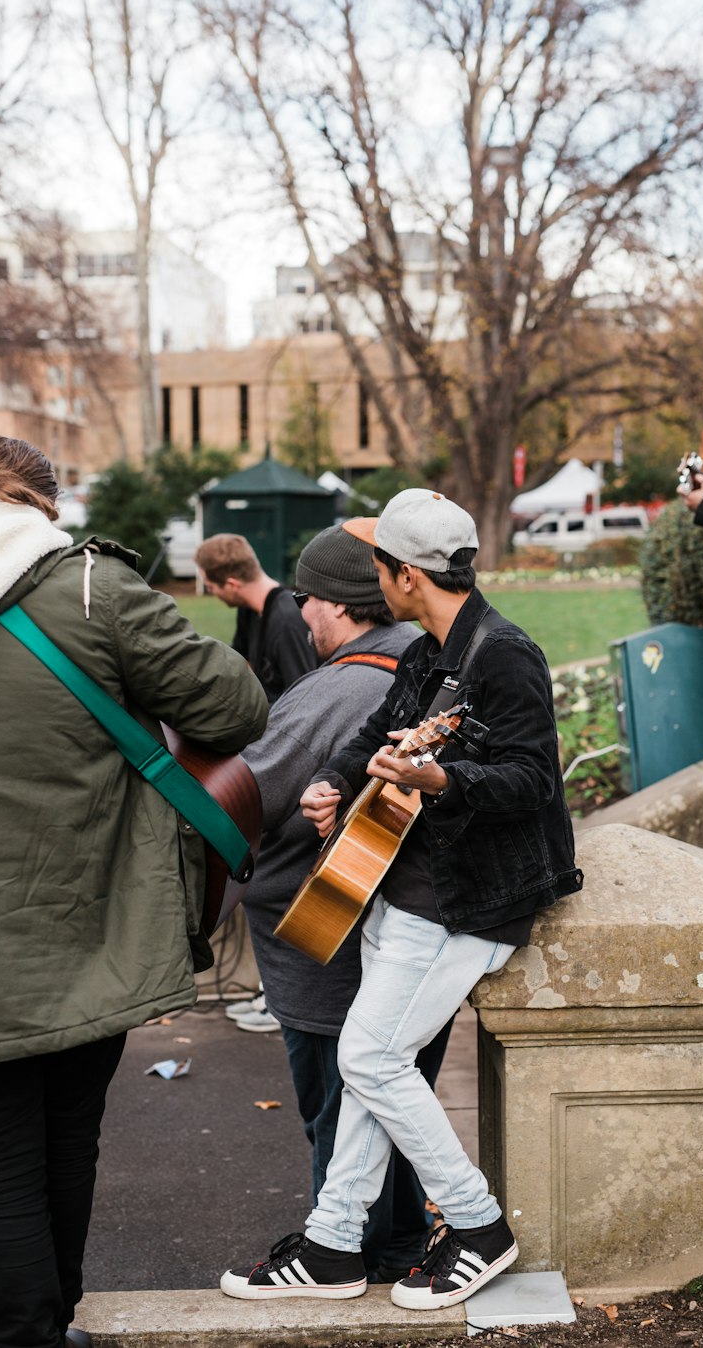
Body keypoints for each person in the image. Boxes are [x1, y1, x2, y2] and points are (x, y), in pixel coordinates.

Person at [0, 434, 268, 1348]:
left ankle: (27, 1335)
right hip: (91, 919)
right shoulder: (90, 587)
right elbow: (235, 707)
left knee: (0, 1165)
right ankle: (47, 1326)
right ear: (41, 507)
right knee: (69, 1142)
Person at [221, 488, 581, 1310]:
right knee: (370, 1064)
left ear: (405, 576)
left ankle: (478, 1224)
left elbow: (531, 779)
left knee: (369, 1060)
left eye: (380, 569)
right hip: (406, 886)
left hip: (472, 901)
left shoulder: (505, 655)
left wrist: (441, 776)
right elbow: (373, 732)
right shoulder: (428, 651)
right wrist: (331, 781)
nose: (373, 583)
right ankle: (334, 1243)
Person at [239, 523, 446, 1281]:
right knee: (395, 1094)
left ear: (335, 603)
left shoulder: (339, 684)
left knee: (337, 1106)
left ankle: (342, 1253)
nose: (300, 616)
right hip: (410, 933)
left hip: (329, 940)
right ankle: (392, 1247)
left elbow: (248, 792)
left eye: (305, 599)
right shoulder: (425, 663)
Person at [195, 532, 316, 704]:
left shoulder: (287, 621)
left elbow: (304, 700)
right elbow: (240, 665)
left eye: (210, 587)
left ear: (231, 585)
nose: (212, 593)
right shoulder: (248, 610)